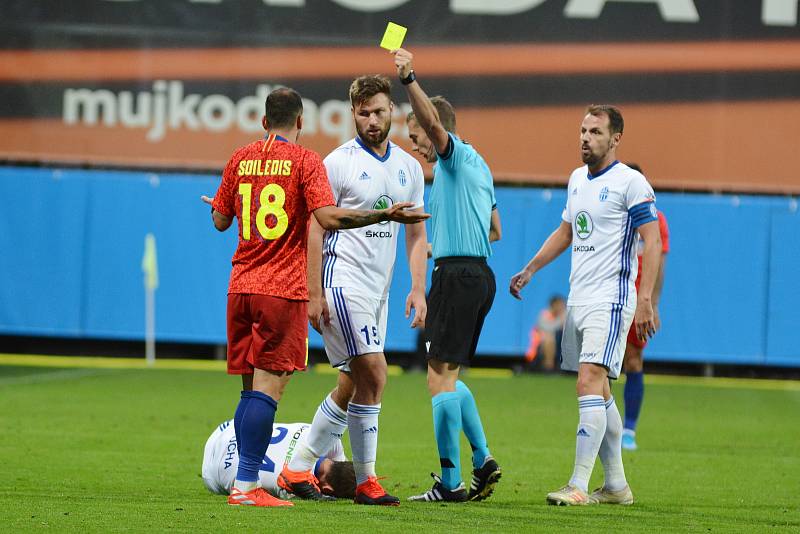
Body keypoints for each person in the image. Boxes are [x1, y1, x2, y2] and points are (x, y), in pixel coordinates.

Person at [201, 87, 429, 508]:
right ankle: (252, 486)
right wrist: (383, 214)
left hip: (240, 286)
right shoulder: (309, 161)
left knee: (251, 391)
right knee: (273, 392)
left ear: (264, 122)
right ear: (302, 122)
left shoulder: (239, 157)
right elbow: (326, 219)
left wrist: (219, 203)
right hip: (281, 288)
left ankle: (259, 479)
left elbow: (219, 218)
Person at [278, 75, 428, 507]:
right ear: (353, 115)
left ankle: (297, 467)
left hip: (379, 290)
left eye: (379, 111)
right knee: (376, 373)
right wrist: (312, 292)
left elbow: (417, 232)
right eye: (363, 113)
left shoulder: (409, 168)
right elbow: (315, 226)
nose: (372, 120)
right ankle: (366, 481)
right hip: (343, 282)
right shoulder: (336, 164)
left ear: (393, 113)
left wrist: (418, 288)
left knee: (352, 381)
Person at [510, 105, 661, 506]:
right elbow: (565, 231)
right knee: (600, 392)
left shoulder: (632, 182)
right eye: (582, 130)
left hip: (611, 300)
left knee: (587, 381)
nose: (585, 138)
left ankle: (577, 484)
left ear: (615, 139)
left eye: (595, 132)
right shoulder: (577, 179)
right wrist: (531, 269)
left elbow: (653, 241)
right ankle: (615, 486)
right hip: (579, 298)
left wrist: (645, 299)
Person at [392, 48, 503, 503]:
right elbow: (495, 230)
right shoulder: (480, 167)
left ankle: (450, 482)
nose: (414, 143)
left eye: (415, 133)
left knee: (437, 378)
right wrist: (443, 243)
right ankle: (483, 460)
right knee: (449, 376)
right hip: (476, 274)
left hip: (456, 277)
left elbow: (435, 127)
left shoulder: (453, 156)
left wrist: (408, 78)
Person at [620, 164, 670, 451]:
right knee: (602, 366)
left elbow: (660, 262)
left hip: (639, 298)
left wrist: (652, 303)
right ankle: (602, 427)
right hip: (612, 294)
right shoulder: (612, 212)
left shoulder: (655, 219)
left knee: (634, 360)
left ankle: (629, 429)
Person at [202, 420, 356, 500]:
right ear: (328, 490)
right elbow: (335, 479)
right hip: (211, 472)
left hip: (227, 430)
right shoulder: (295, 488)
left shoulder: (329, 439)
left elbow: (341, 469)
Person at [524, 295, 567, 372]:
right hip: (542, 343)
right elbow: (546, 328)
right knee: (549, 338)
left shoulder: (565, 315)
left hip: (562, 342)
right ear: (553, 305)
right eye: (559, 305)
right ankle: (548, 368)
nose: (562, 307)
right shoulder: (544, 315)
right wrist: (560, 321)